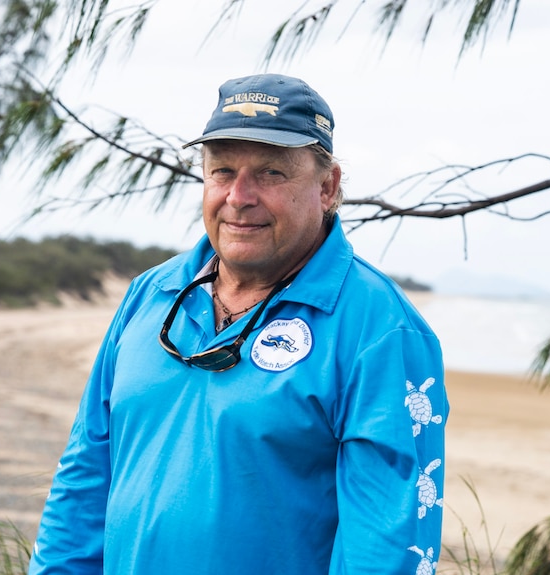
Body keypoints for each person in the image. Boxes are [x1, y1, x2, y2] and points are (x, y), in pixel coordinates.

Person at [28, 73, 448, 574]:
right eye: (222, 171)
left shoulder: (378, 329)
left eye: (271, 173)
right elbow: (84, 480)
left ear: (328, 186)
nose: (239, 195)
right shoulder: (150, 294)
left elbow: (385, 548)